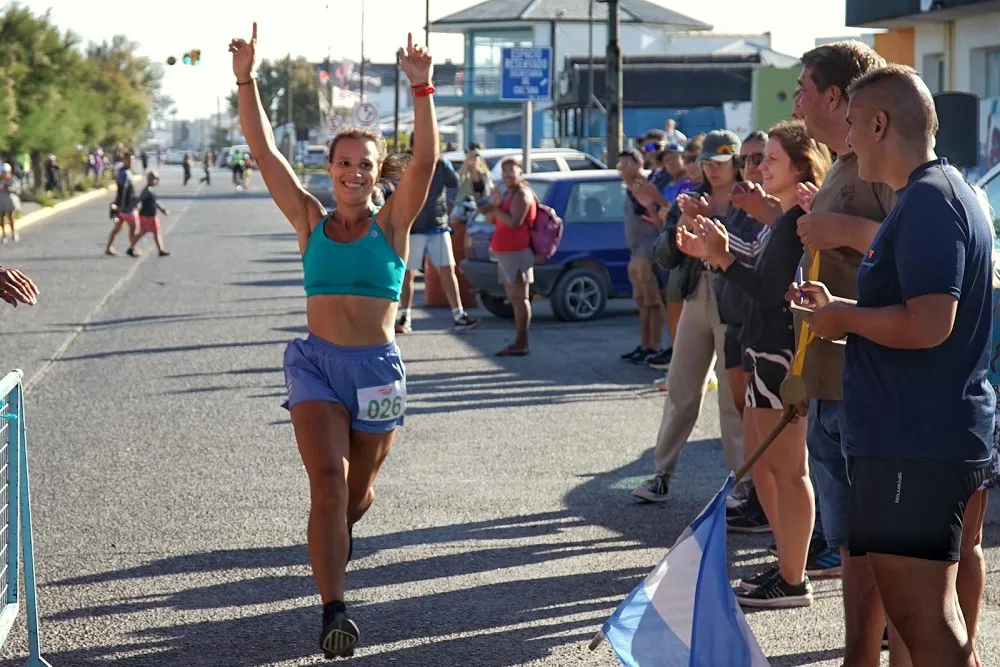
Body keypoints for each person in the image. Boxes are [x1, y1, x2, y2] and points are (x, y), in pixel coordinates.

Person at [232, 24, 437, 659]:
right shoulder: (308, 220)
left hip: (377, 369)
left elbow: (426, 161)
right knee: (327, 480)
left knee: (355, 495)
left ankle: (335, 538)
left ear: (379, 175)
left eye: (364, 165)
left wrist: (421, 87)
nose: (352, 173)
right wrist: (246, 77)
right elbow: (264, 152)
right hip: (316, 367)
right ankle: (334, 611)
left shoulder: (394, 223)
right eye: (343, 163)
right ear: (330, 168)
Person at [794, 64, 994, 667]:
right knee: (925, 621)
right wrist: (841, 310)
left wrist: (845, 321)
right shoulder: (938, 193)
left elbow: (932, 322)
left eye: (853, 125)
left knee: (924, 622)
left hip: (916, 443)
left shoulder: (931, 200)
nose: (846, 140)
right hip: (917, 437)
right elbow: (916, 308)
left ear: (880, 124)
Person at [679, 120, 831, 607]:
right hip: (762, 347)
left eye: (769, 159)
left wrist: (722, 257)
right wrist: (716, 249)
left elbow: (768, 291)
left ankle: (793, 577)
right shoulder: (783, 218)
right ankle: (788, 564)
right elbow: (763, 275)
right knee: (764, 467)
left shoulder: (793, 221)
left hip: (780, 355)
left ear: (800, 168)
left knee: (788, 471)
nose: (758, 167)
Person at [790, 40, 895, 665]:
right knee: (850, 539)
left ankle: (882, 640)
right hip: (829, 373)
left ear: (837, 96)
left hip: (862, 374)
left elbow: (922, 248)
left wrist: (842, 231)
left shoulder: (878, 166)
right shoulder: (839, 163)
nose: (797, 99)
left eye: (805, 86)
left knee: (868, 542)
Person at [631, 130, 745, 503]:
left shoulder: (750, 200)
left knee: (733, 400)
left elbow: (755, 250)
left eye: (721, 162)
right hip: (698, 292)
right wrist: (680, 222)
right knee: (682, 387)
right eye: (707, 162)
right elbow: (666, 257)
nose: (712, 169)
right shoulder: (694, 199)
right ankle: (661, 473)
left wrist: (714, 221)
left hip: (736, 300)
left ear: (736, 163)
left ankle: (741, 485)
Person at [396, 132, 480, 334]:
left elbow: (455, 183)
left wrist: (459, 165)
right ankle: (404, 316)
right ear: (413, 145)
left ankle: (459, 315)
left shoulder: (441, 165)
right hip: (413, 227)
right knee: (407, 273)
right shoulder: (406, 164)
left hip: (437, 225)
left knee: (447, 270)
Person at [126, 171, 170, 258]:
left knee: (155, 232)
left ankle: (161, 250)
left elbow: (155, 202)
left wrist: (162, 210)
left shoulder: (150, 190)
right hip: (147, 216)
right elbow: (139, 200)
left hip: (150, 215)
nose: (157, 182)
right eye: (155, 179)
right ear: (150, 179)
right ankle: (131, 248)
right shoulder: (147, 191)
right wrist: (131, 207)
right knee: (145, 232)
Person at [448, 144, 492, 227]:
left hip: (481, 207)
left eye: (476, 156)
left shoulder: (484, 174)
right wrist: (466, 163)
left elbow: (489, 189)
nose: (474, 158)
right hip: (463, 206)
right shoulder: (465, 172)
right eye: (472, 156)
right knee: (454, 220)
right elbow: (456, 180)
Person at [106, 154, 139, 256]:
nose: (131, 162)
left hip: (127, 206)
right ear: (124, 160)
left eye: (132, 160)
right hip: (125, 207)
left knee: (118, 228)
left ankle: (110, 248)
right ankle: (132, 248)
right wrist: (121, 206)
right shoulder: (123, 173)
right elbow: (122, 191)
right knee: (133, 228)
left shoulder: (128, 172)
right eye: (129, 160)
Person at [0, 163, 22, 243]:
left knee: (11, 217)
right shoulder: (0, 180)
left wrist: (9, 188)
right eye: (3, 172)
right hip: (1, 202)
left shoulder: (13, 179)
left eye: (6, 172)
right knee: (1, 219)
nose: (4, 173)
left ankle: (14, 233)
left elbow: (18, 190)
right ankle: (4, 235)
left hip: (10, 202)